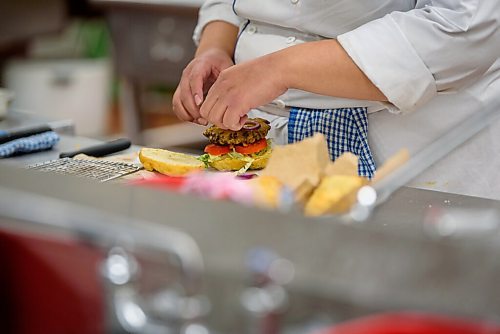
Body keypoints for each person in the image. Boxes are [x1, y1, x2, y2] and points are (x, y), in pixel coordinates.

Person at [173, 1, 500, 197]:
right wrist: (215, 46)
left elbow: (465, 27)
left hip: (411, 145)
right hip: (268, 136)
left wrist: (280, 68)